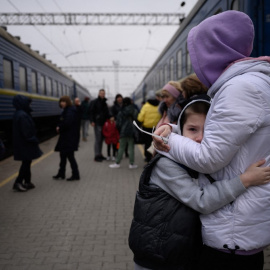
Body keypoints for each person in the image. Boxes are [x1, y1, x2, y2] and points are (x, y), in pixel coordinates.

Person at [153, 10, 270, 270]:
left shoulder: (241, 88)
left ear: (211, 53)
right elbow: (222, 137)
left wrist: (169, 137)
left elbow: (209, 157)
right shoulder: (252, 82)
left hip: (232, 231)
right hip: (241, 223)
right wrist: (174, 128)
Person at [129, 95, 270, 270]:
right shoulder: (167, 165)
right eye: (193, 129)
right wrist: (245, 180)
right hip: (157, 257)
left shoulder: (200, 161)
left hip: (178, 251)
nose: (200, 138)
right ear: (180, 131)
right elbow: (201, 200)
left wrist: (170, 128)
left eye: (209, 130)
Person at [12, 95, 43, 191]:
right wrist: (34, 139)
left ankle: (28, 182)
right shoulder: (22, 115)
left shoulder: (20, 113)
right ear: (23, 103)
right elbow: (27, 132)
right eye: (28, 103)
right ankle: (18, 182)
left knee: (27, 162)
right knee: (26, 163)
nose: (30, 105)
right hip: (25, 144)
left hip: (23, 143)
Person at [53, 96, 80, 181]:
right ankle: (61, 173)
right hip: (66, 137)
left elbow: (67, 123)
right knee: (63, 156)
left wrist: (59, 127)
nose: (62, 103)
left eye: (64, 101)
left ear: (67, 102)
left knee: (70, 156)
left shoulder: (70, 111)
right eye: (61, 101)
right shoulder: (67, 110)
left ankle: (75, 174)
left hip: (69, 137)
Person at [109, 97, 138, 169]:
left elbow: (118, 123)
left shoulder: (121, 111)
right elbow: (137, 120)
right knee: (131, 147)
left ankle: (117, 163)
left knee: (121, 147)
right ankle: (131, 164)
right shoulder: (134, 110)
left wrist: (120, 129)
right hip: (131, 131)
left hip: (123, 131)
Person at [137, 90, 161, 162]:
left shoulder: (145, 106)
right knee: (155, 143)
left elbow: (140, 118)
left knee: (147, 143)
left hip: (147, 128)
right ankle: (155, 157)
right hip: (157, 128)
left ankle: (147, 157)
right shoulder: (159, 105)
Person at [89, 89, 109, 162]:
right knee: (98, 139)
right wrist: (92, 121)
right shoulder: (95, 102)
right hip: (97, 123)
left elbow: (106, 113)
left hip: (104, 123)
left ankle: (100, 154)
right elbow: (91, 112)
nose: (102, 94)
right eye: (101, 93)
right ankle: (96, 156)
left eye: (103, 93)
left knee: (101, 140)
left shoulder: (104, 102)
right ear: (99, 93)